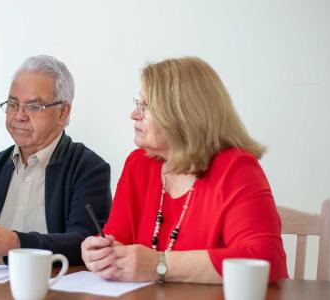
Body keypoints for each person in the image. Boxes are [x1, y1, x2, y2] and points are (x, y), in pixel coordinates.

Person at [81, 57, 288, 284]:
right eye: (137, 103)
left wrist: (158, 264)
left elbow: (265, 259)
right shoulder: (139, 164)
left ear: (182, 115)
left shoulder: (236, 168)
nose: (134, 114)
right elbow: (118, 239)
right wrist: (102, 254)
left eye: (146, 106)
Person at [0, 55, 111, 265]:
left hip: (53, 288)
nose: (18, 116)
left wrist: (14, 242)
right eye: (13, 104)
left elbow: (86, 243)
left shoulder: (88, 168)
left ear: (63, 112)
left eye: (33, 106)